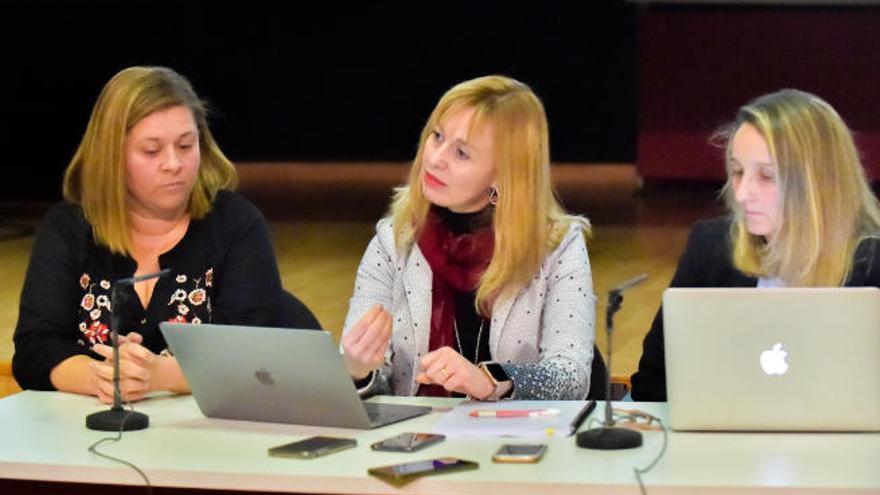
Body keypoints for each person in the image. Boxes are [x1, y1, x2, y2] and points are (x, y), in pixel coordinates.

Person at [12, 66, 290, 404]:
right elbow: (35, 348)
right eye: (151, 151)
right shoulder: (68, 228)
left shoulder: (237, 225)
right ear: (112, 157)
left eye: (186, 145)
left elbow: (256, 354)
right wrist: (98, 377)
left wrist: (158, 376)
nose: (173, 163)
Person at [340, 75, 595, 401]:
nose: (434, 159)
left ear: (505, 173)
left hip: (517, 443)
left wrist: (490, 381)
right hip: (415, 440)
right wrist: (357, 372)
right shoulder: (394, 241)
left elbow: (571, 378)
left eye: (461, 153)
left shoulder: (557, 248)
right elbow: (373, 389)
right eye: (437, 136)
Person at [630, 89, 880, 401]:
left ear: (820, 183)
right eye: (737, 172)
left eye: (766, 176)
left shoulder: (872, 266)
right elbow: (653, 384)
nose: (742, 193)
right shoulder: (711, 250)